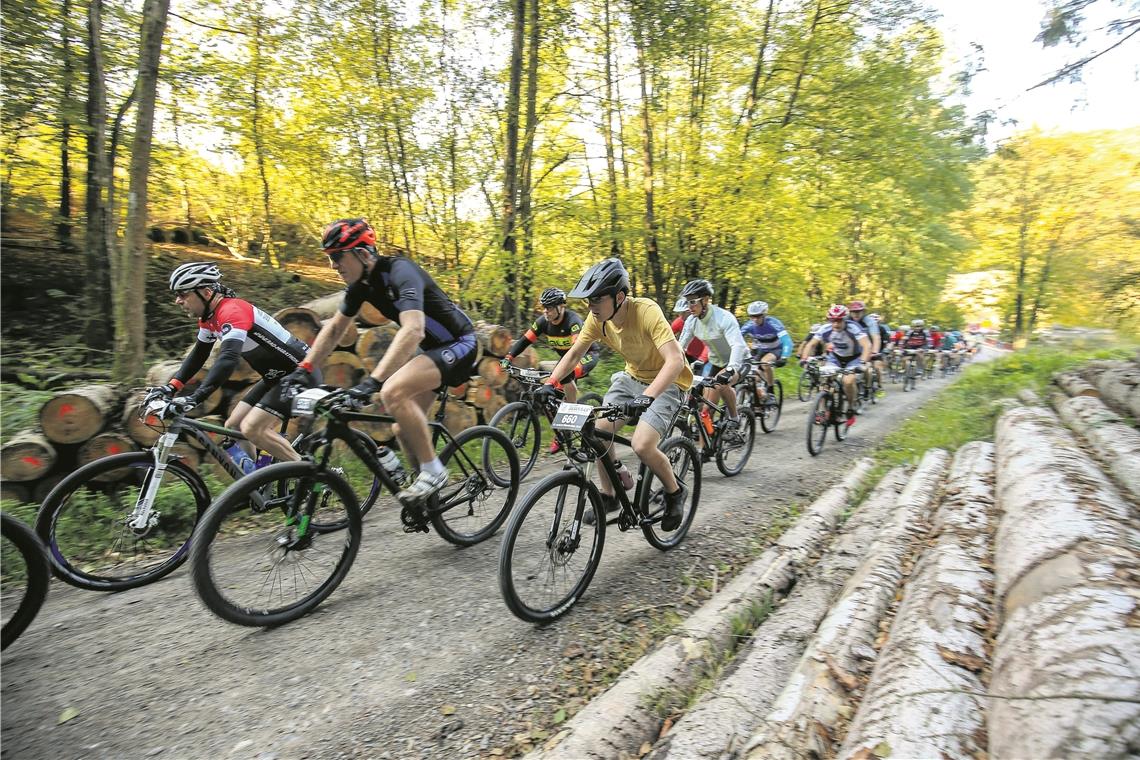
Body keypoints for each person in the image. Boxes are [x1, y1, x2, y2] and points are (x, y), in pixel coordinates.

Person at [280, 218, 478, 506]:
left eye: (337, 256)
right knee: (402, 429)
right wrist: (305, 368)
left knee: (392, 391)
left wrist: (374, 381)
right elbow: (334, 329)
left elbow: (413, 329)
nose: (333, 265)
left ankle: (434, 472)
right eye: (330, 258)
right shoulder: (361, 285)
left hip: (461, 343)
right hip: (433, 351)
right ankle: (425, 492)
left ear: (362, 253)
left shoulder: (401, 270)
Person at [535, 258, 693, 531]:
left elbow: (675, 361)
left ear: (619, 297)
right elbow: (574, 354)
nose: (590, 305)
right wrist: (551, 383)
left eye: (596, 299)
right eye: (587, 300)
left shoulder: (646, 311)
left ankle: (675, 492)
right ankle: (609, 496)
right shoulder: (597, 319)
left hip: (668, 382)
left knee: (642, 445)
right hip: (631, 378)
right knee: (596, 433)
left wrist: (648, 397)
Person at [156, 262, 316, 463]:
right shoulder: (209, 318)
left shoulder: (232, 311)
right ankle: (254, 484)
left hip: (300, 374)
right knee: (234, 426)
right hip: (275, 377)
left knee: (252, 428)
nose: (178, 301)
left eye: (183, 294)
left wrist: (196, 397)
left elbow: (228, 358)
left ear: (206, 293)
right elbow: (199, 354)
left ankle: (309, 475)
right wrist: (171, 387)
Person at [501, 287, 601, 452]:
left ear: (561, 307)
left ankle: (575, 421)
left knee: (564, 378)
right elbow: (524, 341)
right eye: (544, 307)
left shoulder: (573, 321)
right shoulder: (542, 322)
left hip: (586, 355)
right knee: (554, 395)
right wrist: (508, 358)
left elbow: (576, 350)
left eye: (549, 307)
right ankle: (563, 433)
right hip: (566, 360)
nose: (545, 311)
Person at [675, 279, 749, 428]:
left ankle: (734, 418)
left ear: (706, 300)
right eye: (687, 302)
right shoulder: (691, 321)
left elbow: (737, 345)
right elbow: (679, 347)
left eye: (693, 301)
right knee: (706, 411)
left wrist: (731, 369)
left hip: (739, 361)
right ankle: (706, 450)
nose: (689, 306)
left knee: (722, 385)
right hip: (716, 362)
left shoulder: (724, 318)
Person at [798, 304, 871, 427]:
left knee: (848, 381)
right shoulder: (825, 329)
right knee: (824, 382)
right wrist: (805, 359)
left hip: (853, 359)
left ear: (845, 319)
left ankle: (851, 407)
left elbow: (867, 345)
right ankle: (821, 412)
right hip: (835, 358)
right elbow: (811, 344)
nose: (836, 324)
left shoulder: (853, 328)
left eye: (839, 321)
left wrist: (862, 363)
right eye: (833, 321)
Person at [739, 300, 794, 402]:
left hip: (776, 349)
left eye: (758, 316)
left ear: (764, 315)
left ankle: (771, 391)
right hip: (761, 350)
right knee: (752, 375)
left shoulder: (773, 323)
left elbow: (787, 341)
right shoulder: (749, 326)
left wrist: (784, 357)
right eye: (752, 316)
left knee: (765, 363)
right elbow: (736, 338)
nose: (755, 319)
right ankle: (759, 398)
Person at [671, 297, 712, 378]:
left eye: (683, 313)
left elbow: (709, 344)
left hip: (706, 358)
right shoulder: (679, 322)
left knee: (702, 381)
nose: (680, 316)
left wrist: (702, 359)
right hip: (689, 355)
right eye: (679, 313)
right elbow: (668, 336)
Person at [848, 300, 884, 391]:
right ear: (850, 312)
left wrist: (875, 351)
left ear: (863, 312)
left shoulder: (870, 321)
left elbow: (876, 337)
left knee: (873, 367)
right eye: (853, 312)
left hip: (869, 348)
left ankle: (874, 387)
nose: (856, 314)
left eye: (858, 312)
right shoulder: (846, 320)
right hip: (853, 349)